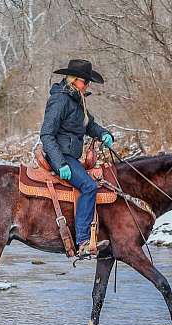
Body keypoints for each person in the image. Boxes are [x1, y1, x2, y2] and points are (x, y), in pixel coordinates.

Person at [40, 59, 114, 257]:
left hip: (70, 155)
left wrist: (104, 134)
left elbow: (90, 126)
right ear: (73, 80)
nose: (87, 85)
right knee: (89, 186)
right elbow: (47, 134)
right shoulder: (60, 100)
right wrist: (60, 163)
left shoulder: (77, 100)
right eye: (85, 81)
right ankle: (82, 240)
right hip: (61, 155)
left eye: (88, 82)